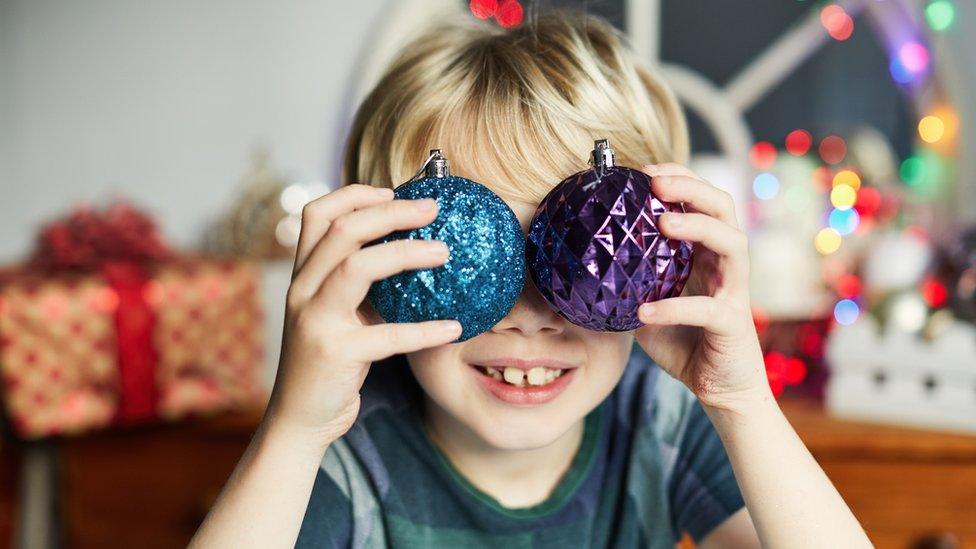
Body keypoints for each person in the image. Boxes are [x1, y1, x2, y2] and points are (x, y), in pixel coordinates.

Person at [191, 10, 870, 548]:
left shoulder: (655, 423)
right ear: (379, 266)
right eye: (463, 257)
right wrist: (293, 430)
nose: (529, 313)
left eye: (586, 257)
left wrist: (743, 404)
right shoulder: (348, 455)